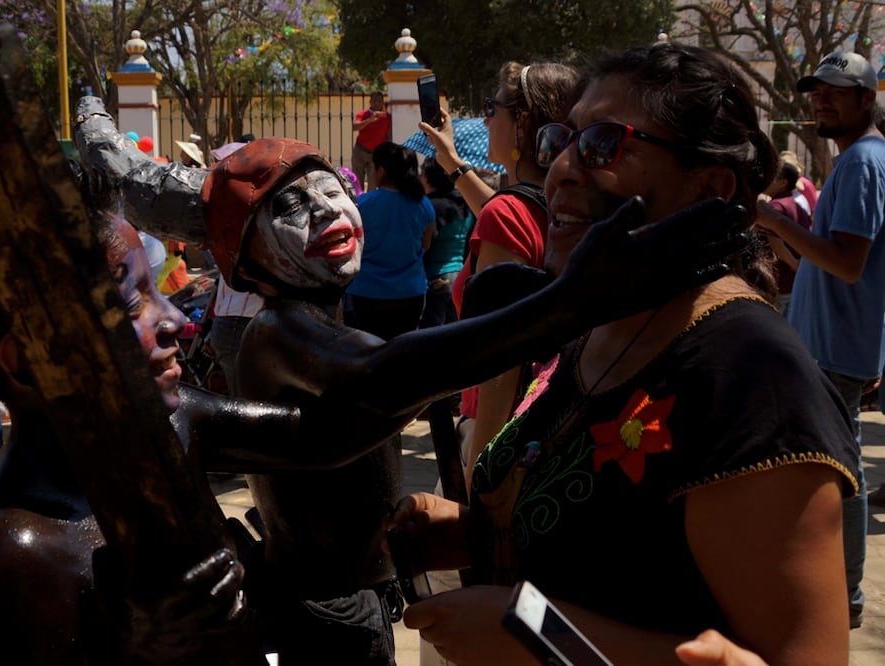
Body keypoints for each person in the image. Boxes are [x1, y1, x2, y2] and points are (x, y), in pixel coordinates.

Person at [74, 98, 760, 663]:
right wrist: (560, 308)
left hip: (362, 587)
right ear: (244, 265)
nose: (328, 214)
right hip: (326, 601)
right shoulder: (282, 329)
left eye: (329, 191)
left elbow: (363, 405)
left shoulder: (315, 312)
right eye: (290, 210)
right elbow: (381, 378)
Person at [393, 43, 858, 666]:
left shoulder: (751, 377)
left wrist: (533, 635)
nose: (561, 167)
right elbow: (609, 539)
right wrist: (464, 531)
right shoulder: (602, 326)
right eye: (563, 139)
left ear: (710, 188)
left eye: (604, 144)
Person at [0, 169, 303, 663]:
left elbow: (317, 431)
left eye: (156, 291)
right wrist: (138, 648)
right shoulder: (12, 560)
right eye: (130, 304)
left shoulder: (168, 422)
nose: (175, 319)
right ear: (32, 361)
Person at [756, 50, 885, 629]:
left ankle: (845, 597)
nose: (821, 100)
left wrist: (777, 221)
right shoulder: (857, 160)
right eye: (816, 91)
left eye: (836, 90)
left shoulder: (862, 161)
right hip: (834, 345)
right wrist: (779, 234)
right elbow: (826, 262)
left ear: (866, 98)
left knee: (840, 473)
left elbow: (849, 264)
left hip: (837, 351)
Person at [421, 62, 579, 483]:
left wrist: (479, 475)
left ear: (523, 123)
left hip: (497, 434)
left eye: (492, 108)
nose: (486, 119)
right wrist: (451, 161)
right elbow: (505, 214)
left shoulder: (508, 215)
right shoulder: (562, 207)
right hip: (547, 426)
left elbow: (499, 361)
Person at [346, 142, 435, 340]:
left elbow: (352, 248)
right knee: (403, 352)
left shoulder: (362, 205)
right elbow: (426, 245)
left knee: (371, 351)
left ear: (382, 170)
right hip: (410, 292)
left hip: (367, 292)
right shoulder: (423, 204)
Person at [419, 157, 474, 329]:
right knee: (454, 329)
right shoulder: (466, 203)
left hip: (435, 276)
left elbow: (426, 244)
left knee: (432, 331)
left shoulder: (430, 206)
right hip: (460, 275)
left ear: (427, 178)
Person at [757, 158, 812, 313]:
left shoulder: (774, 208)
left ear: (782, 182)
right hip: (794, 280)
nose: (766, 180)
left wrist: (794, 264)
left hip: (779, 280)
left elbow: (776, 244)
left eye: (772, 177)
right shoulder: (797, 205)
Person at [352, 92, 391, 191]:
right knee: (357, 182)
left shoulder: (388, 117)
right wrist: (369, 120)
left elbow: (389, 136)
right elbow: (354, 127)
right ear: (370, 102)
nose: (377, 103)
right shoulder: (363, 114)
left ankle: (369, 204)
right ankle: (358, 204)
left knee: (373, 184)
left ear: (383, 103)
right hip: (360, 151)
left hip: (375, 154)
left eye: (379, 101)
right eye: (374, 101)